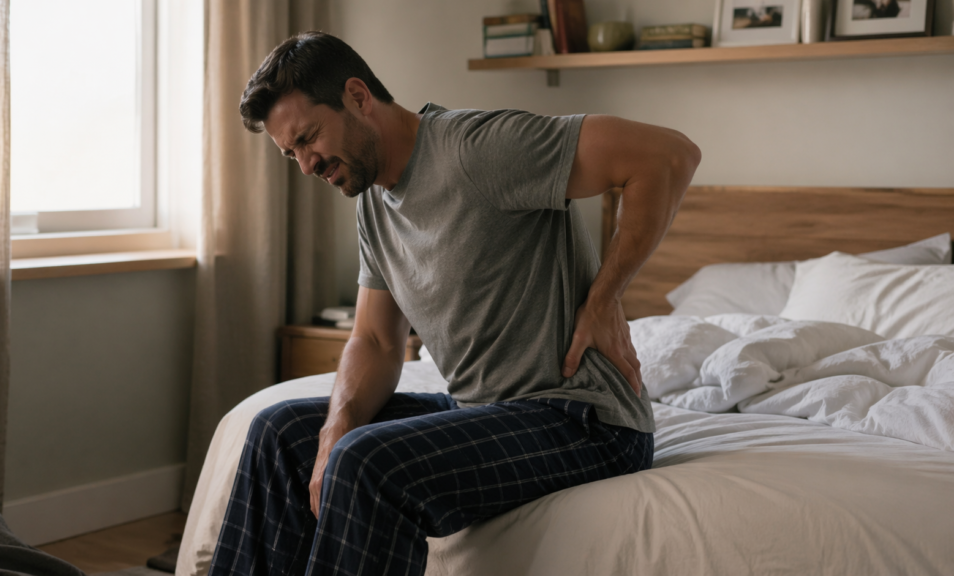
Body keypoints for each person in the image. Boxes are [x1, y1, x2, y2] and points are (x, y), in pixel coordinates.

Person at [209, 31, 700, 576]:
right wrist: (336, 424)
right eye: (291, 153)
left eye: (308, 138)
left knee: (366, 463)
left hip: (586, 419)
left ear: (356, 95)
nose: (306, 165)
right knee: (279, 433)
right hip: (482, 409)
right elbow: (373, 339)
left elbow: (669, 155)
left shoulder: (477, 149)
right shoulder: (372, 199)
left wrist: (606, 298)